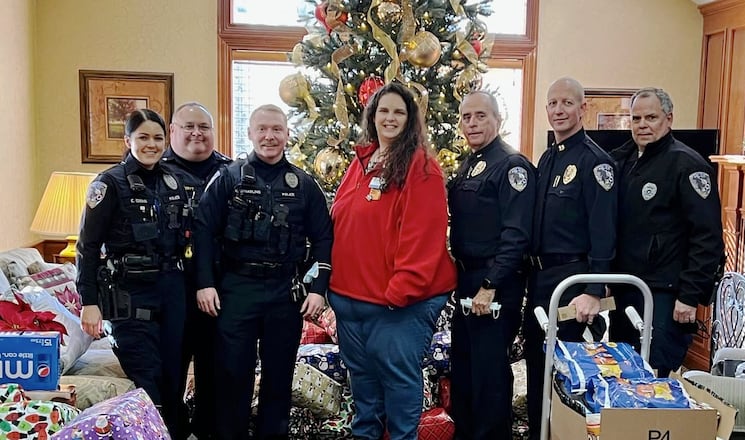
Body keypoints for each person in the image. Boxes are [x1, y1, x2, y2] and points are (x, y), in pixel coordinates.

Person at [192, 104, 332, 440]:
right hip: (236, 289)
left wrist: (318, 289)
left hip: (285, 291)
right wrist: (205, 284)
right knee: (232, 376)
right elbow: (202, 229)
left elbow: (325, 236)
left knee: (278, 376)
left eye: (276, 129)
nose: (269, 136)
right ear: (250, 133)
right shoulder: (229, 178)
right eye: (262, 129)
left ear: (287, 134)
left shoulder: (304, 184)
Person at [329, 82, 456, 440]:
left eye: (399, 111)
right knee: (365, 392)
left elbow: (423, 234)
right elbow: (342, 219)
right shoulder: (362, 161)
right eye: (383, 110)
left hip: (397, 304)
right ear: (372, 116)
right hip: (350, 299)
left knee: (399, 387)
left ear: (410, 118)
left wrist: (399, 292)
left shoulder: (422, 167)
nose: (390, 118)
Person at [77, 109, 189, 439]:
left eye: (157, 137)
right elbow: (88, 246)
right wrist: (89, 302)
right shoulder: (108, 183)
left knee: (173, 376)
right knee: (147, 377)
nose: (152, 144)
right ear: (128, 141)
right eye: (143, 137)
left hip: (171, 290)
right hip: (128, 295)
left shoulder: (174, 179)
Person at [608, 87, 724, 377]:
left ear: (669, 119)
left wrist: (690, 295)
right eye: (636, 119)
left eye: (651, 117)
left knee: (652, 376)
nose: (642, 125)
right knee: (623, 374)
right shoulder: (622, 162)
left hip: (666, 294)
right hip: (627, 289)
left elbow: (707, 238)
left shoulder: (687, 165)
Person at [524, 77, 617, 431]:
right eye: (552, 103)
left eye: (566, 103)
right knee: (538, 366)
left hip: (574, 283)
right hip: (541, 281)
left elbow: (604, 229)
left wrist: (593, 289)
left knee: (569, 374)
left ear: (583, 109)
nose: (558, 110)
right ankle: (539, 433)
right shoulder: (549, 158)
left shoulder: (596, 162)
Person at [446, 90, 536, 439]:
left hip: (494, 285)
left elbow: (516, 233)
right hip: (468, 281)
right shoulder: (469, 165)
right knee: (466, 371)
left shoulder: (511, 165)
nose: (472, 123)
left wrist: (491, 284)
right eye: (466, 117)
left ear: (499, 120)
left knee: (490, 376)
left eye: (480, 116)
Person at [160, 102, 231, 439]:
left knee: (216, 376)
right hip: (169, 291)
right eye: (188, 126)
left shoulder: (232, 173)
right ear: (172, 131)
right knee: (169, 375)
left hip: (220, 290)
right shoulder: (153, 173)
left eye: (204, 126)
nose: (196, 133)